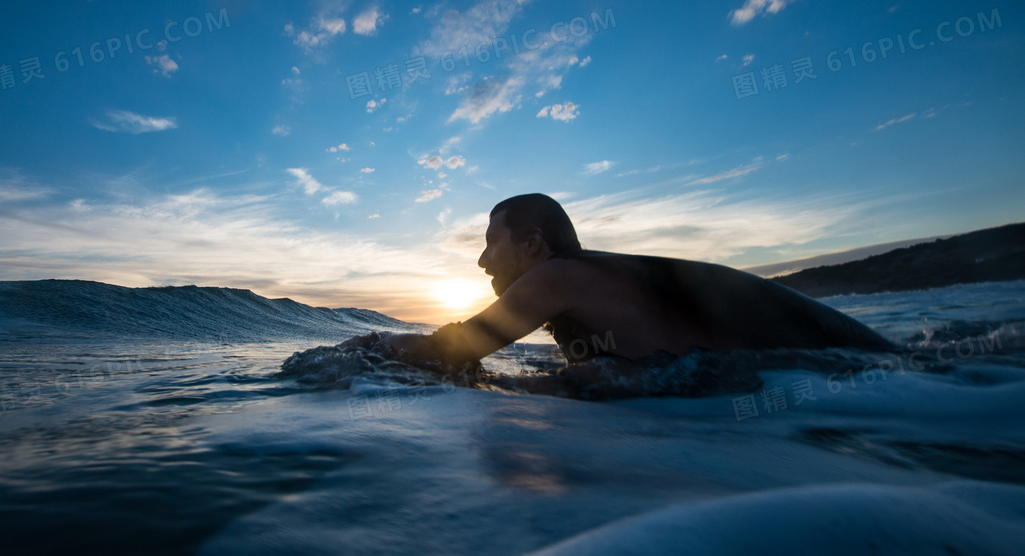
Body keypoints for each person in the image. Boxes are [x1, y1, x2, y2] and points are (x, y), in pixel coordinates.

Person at [364, 193, 892, 370]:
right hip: (838, 360)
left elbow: (456, 349)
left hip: (835, 364)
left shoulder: (559, 274)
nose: (481, 261)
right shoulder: (589, 283)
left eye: (491, 242)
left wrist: (360, 350)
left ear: (531, 245)